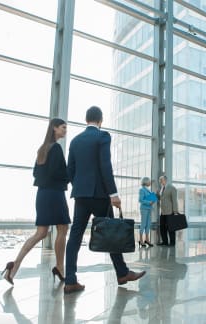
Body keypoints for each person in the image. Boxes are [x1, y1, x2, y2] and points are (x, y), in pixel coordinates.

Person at [64, 106, 146, 294]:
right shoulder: (102, 137)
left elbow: (70, 172)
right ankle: (122, 272)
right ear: (100, 121)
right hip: (100, 195)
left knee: (75, 236)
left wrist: (79, 186)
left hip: (81, 195)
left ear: (86, 119)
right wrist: (113, 193)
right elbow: (105, 165)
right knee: (111, 232)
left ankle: (70, 280)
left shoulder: (75, 141)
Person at [1, 118, 70, 285]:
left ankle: (14, 266)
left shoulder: (42, 149)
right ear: (54, 128)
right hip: (54, 194)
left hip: (42, 195)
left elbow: (35, 174)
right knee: (62, 229)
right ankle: (60, 267)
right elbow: (57, 173)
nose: (65, 130)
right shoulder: (57, 148)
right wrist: (70, 175)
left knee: (41, 233)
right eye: (63, 127)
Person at [157, 175, 178, 246]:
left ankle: (172, 242)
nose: (160, 181)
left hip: (170, 211)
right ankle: (164, 241)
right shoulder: (161, 189)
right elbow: (160, 199)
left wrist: (175, 210)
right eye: (160, 180)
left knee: (171, 228)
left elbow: (174, 200)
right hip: (163, 212)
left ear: (165, 180)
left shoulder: (172, 188)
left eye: (161, 180)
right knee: (162, 227)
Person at [138, 177, 156, 248]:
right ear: (146, 182)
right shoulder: (142, 190)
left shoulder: (148, 190)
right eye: (149, 181)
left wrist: (153, 199)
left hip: (149, 209)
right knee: (143, 224)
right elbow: (140, 200)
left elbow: (151, 199)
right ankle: (141, 240)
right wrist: (149, 202)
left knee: (148, 224)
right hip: (144, 209)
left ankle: (147, 239)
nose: (150, 183)